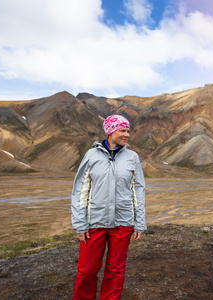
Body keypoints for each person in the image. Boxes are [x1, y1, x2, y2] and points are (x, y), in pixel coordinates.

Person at [71, 115, 146, 299]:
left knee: (115, 270)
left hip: (123, 222)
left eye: (128, 130)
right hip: (94, 222)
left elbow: (138, 190)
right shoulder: (91, 156)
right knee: (87, 270)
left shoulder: (132, 157)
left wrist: (139, 222)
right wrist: (80, 223)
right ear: (110, 132)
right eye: (122, 130)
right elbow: (81, 190)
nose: (127, 134)